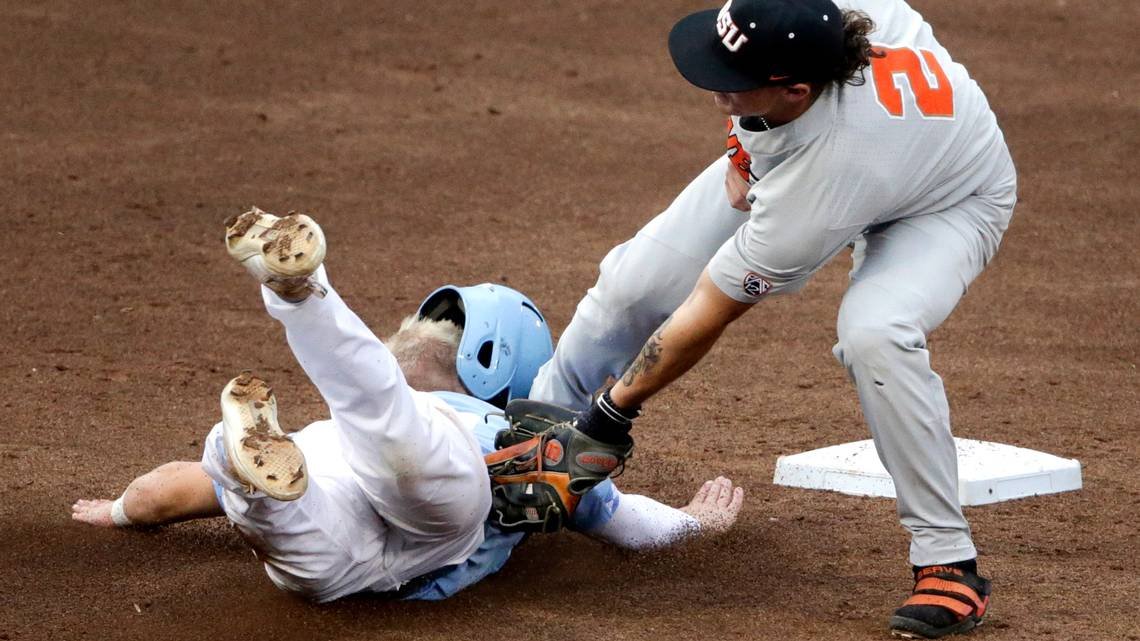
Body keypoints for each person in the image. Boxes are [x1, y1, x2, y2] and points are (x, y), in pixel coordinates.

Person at [527, 0, 1016, 638]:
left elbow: (709, 305)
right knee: (633, 284)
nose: (711, 84)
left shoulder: (823, 181)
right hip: (829, 149)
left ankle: (947, 561)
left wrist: (610, 416)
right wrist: (740, 141)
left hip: (948, 202)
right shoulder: (823, 19)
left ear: (793, 89)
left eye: (731, 78)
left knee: (875, 336)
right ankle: (531, 434)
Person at [71, 208, 744, 603]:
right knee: (393, 424)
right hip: (437, 506)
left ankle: (283, 336)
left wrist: (121, 509)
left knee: (281, 487)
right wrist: (693, 523)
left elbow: (164, 493)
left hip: (330, 492)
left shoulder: (322, 433)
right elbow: (627, 525)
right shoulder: (497, 422)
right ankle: (298, 300)